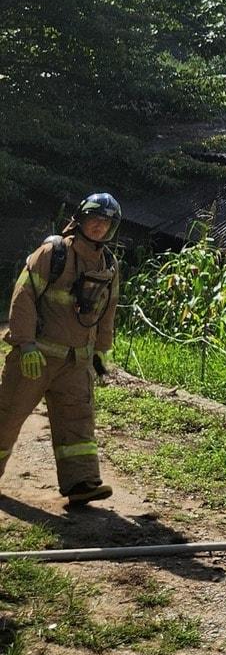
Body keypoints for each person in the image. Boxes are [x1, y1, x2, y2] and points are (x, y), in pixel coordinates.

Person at [0, 193, 122, 506]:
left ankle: (81, 483)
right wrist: (25, 343)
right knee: (8, 415)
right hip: (36, 358)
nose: (98, 227)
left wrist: (101, 351)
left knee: (77, 421)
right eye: (94, 219)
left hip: (76, 362)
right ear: (80, 220)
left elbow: (108, 310)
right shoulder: (53, 253)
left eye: (105, 222)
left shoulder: (109, 264)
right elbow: (23, 296)